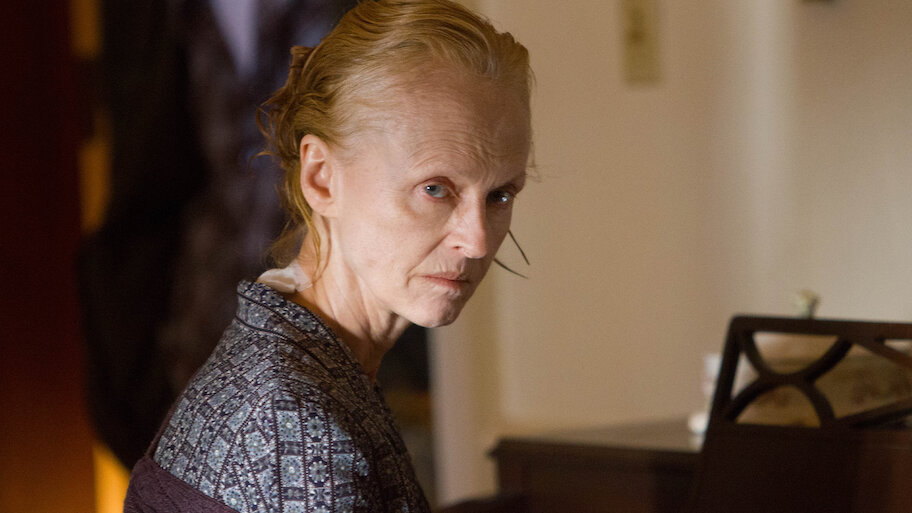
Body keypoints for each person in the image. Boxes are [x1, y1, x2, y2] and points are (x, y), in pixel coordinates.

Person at [123, 0, 532, 511]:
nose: (476, 241)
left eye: (499, 195)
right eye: (434, 188)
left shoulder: (284, 354)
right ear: (321, 177)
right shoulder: (297, 425)